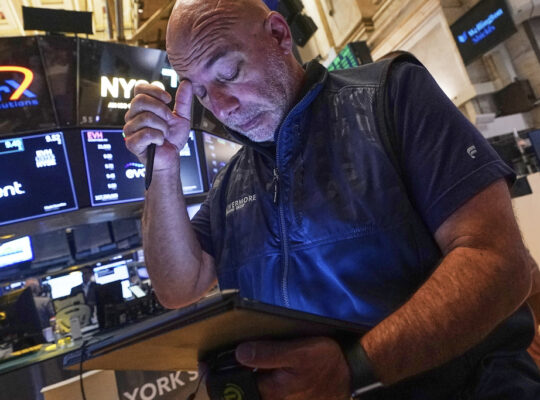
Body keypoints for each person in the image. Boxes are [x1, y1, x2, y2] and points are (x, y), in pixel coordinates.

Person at [123, 0, 540, 398]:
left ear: (279, 34)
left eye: (229, 72)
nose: (222, 107)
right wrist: (164, 166)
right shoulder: (232, 182)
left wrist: (354, 370)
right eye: (201, 93)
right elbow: (177, 288)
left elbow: (498, 260)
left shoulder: (390, 96)